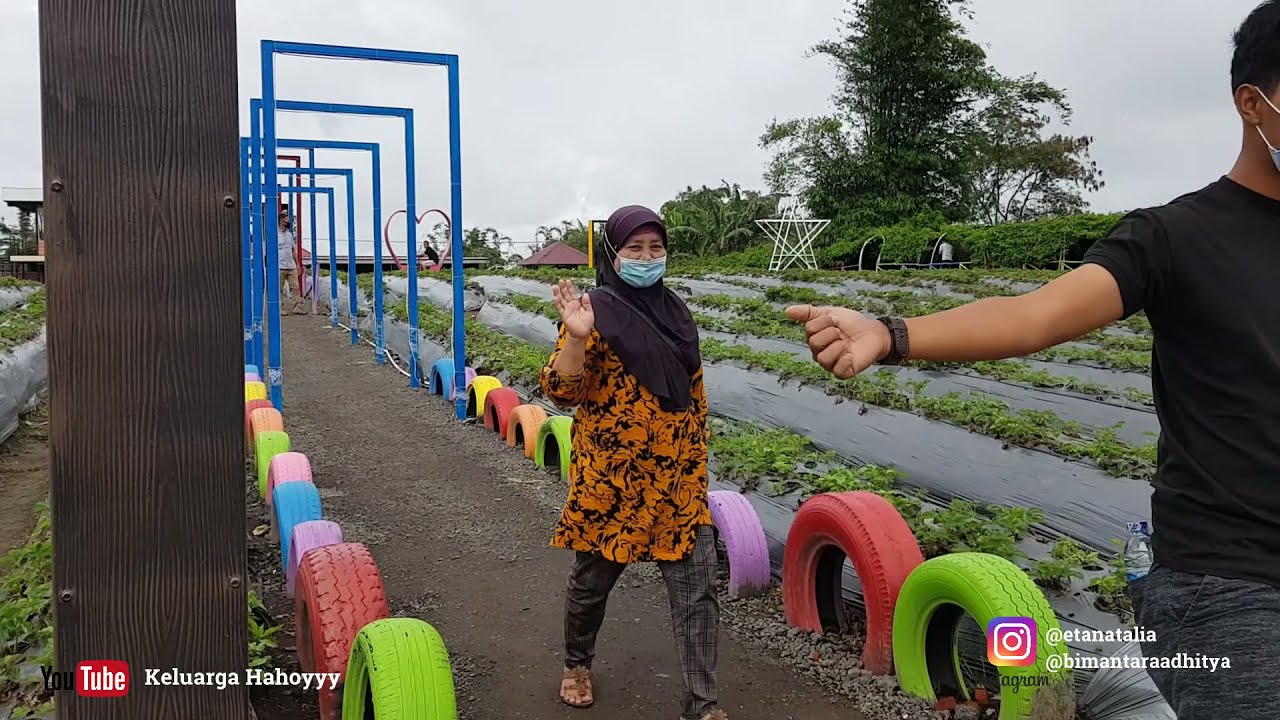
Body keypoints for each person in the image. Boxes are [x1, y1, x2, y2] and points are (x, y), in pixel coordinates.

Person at [786, 4, 1280, 717]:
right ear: (1252, 103)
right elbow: (1033, 316)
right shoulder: (1176, 238)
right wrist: (890, 333)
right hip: (1228, 579)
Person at [540, 205, 726, 720]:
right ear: (613, 255)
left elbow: (694, 396)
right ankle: (577, 664)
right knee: (591, 583)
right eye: (635, 249)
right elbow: (562, 392)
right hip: (613, 481)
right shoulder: (593, 311)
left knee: (698, 595)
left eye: (656, 248)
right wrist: (576, 337)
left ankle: (703, 705)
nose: (647, 258)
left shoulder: (677, 314)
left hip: (677, 483)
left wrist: (694, 465)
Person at [277, 207, 305, 316]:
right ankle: (281, 308)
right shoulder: (275, 235)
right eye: (286, 221)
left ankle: (297, 307)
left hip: (291, 265)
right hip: (280, 266)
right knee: (280, 288)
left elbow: (293, 250)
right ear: (281, 222)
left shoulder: (289, 235)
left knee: (296, 287)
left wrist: (298, 264)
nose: (287, 223)